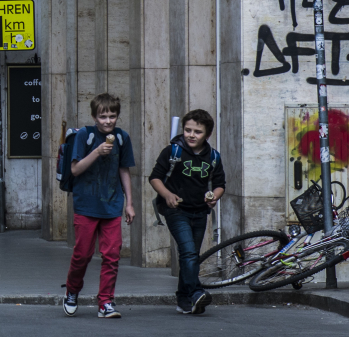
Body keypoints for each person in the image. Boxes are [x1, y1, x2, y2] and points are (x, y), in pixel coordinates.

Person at [61, 92, 136, 319]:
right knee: (82, 255)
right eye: (103, 116)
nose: (108, 121)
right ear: (95, 117)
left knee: (112, 255)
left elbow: (124, 170)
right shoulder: (85, 135)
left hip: (112, 205)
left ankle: (106, 302)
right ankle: (72, 291)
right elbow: (75, 170)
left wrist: (129, 204)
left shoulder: (122, 138)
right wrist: (96, 151)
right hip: (86, 205)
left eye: (112, 116)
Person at [149, 109, 228, 315]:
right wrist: (167, 195)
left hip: (200, 212)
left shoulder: (213, 157)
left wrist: (214, 197)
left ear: (207, 135)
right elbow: (155, 177)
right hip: (176, 210)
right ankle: (195, 291)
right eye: (188, 130)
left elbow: (220, 184)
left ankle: (184, 300)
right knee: (189, 252)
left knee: (190, 256)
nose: (191, 135)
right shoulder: (172, 152)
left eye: (197, 132)